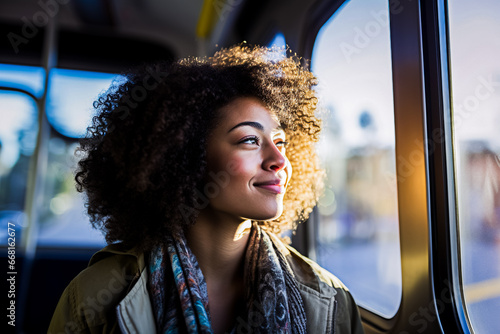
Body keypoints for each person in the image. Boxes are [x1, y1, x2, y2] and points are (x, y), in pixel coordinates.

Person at [48, 45, 364, 334]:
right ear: (186, 157)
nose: (279, 159)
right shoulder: (93, 300)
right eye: (250, 140)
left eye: (279, 142)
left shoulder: (332, 301)